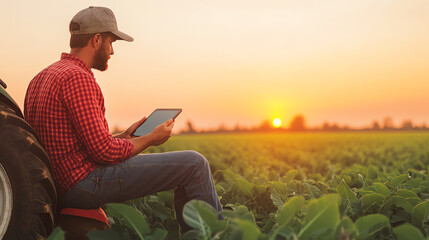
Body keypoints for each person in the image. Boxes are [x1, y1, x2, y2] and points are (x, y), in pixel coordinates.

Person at [24, 6, 222, 232]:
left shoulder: (42, 77)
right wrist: (150, 139)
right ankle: (215, 236)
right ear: (97, 40)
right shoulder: (78, 78)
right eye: (111, 43)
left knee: (188, 167)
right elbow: (103, 152)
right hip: (82, 184)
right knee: (194, 164)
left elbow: (74, 142)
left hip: (54, 184)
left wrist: (125, 136)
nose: (112, 51)